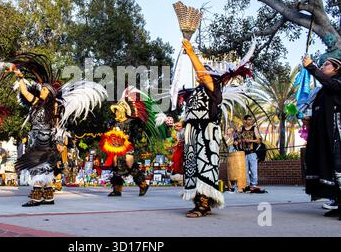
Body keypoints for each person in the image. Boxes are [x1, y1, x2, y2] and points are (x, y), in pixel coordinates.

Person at [6, 53, 106, 207]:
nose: (42, 91)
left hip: (45, 140)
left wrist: (60, 141)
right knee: (43, 168)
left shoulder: (54, 107)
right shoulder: (36, 103)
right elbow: (25, 92)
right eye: (42, 90)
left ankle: (36, 198)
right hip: (38, 138)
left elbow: (58, 125)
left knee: (40, 168)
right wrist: (19, 78)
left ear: (51, 93)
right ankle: (47, 197)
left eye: (45, 90)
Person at [178, 36, 254, 218]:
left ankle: (204, 204)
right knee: (192, 167)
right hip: (193, 133)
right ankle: (199, 201)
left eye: (205, 71)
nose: (200, 73)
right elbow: (192, 111)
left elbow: (203, 74)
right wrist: (182, 123)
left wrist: (190, 53)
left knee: (204, 165)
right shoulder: (195, 91)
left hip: (207, 132)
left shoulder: (214, 87)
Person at [100, 87, 167, 197]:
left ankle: (143, 184)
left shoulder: (132, 122)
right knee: (116, 166)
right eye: (115, 110)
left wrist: (134, 133)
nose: (115, 112)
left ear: (122, 110)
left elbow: (137, 136)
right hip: (115, 148)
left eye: (117, 110)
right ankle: (117, 189)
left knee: (130, 165)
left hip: (128, 147)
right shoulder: (112, 122)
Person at [302, 55, 341, 219]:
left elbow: (331, 84)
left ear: (336, 69)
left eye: (326, 64)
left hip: (337, 135)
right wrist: (311, 118)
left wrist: (311, 67)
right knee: (331, 170)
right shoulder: (322, 92)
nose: (323, 67)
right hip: (324, 137)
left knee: (339, 169)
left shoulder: (337, 83)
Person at [234, 115, 263, 193]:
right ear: (245, 121)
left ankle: (254, 185)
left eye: (251, 119)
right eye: (249, 119)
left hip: (252, 153)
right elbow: (239, 139)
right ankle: (246, 185)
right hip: (243, 153)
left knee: (253, 170)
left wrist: (250, 140)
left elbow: (259, 141)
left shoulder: (254, 128)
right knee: (245, 170)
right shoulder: (242, 129)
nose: (250, 121)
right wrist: (237, 142)